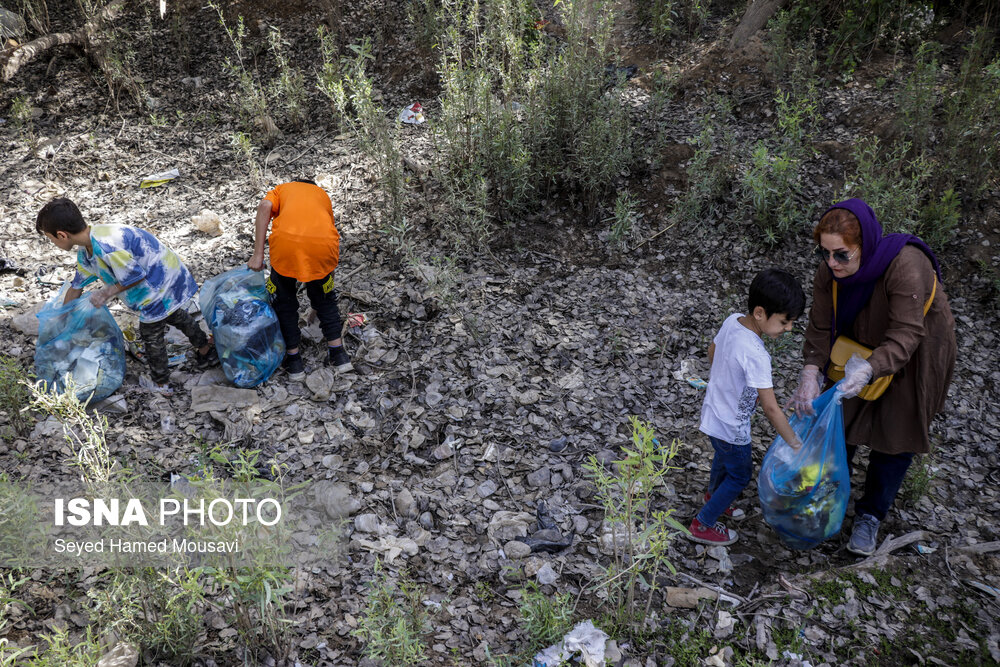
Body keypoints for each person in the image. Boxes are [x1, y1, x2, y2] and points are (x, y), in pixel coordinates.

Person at [788, 198, 955, 556]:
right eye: (825, 254)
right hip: (856, 347)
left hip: (914, 354)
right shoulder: (829, 272)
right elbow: (819, 325)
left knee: (896, 435)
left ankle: (870, 515)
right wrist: (810, 371)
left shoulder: (906, 265)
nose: (832, 263)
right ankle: (831, 497)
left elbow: (907, 333)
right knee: (838, 422)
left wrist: (868, 369)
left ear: (865, 245)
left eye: (842, 255)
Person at [36, 198, 217, 396]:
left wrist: (106, 292)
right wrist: (63, 320)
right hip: (161, 280)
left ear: (62, 235)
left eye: (50, 238)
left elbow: (135, 276)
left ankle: (162, 383)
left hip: (160, 282)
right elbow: (76, 285)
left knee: (151, 334)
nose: (52, 243)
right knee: (175, 315)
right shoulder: (86, 250)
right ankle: (204, 347)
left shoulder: (106, 246)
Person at [688, 268, 805, 546]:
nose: (788, 329)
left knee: (722, 459)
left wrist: (727, 380)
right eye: (785, 322)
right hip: (732, 427)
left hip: (714, 415)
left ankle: (714, 497)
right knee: (740, 475)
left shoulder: (732, 321)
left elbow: (712, 352)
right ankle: (702, 523)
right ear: (761, 313)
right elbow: (771, 408)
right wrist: (795, 444)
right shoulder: (757, 355)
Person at [247, 178, 352, 380]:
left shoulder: (282, 190)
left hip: (287, 246)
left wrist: (258, 254)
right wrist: (322, 297)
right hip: (324, 248)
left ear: (295, 183)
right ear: (313, 186)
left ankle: (294, 362)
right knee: (326, 300)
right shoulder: (322, 195)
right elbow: (325, 231)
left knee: (284, 303)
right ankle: (339, 356)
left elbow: (265, 206)